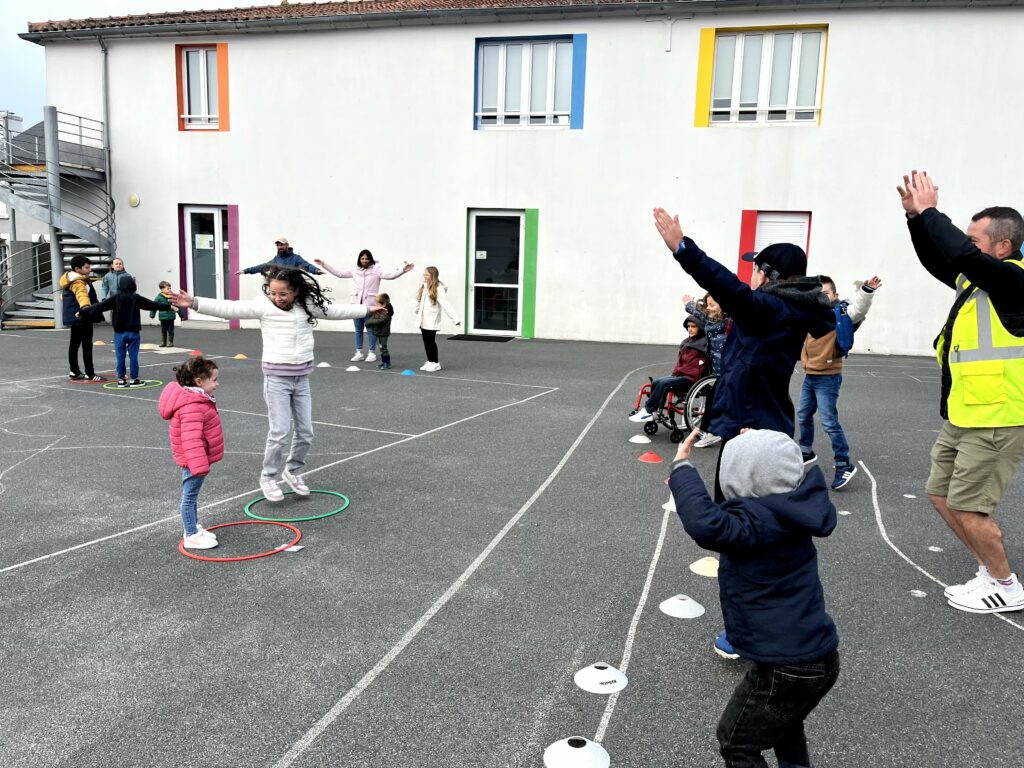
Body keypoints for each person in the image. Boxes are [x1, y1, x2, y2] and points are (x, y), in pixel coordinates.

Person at [669, 427, 839, 768]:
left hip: (786, 666)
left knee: (736, 742)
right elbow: (767, 470)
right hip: (815, 656)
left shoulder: (757, 522)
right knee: (785, 726)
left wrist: (682, 470)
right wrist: (757, 446)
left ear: (740, 478)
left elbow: (706, 524)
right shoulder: (792, 510)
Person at [898, 169, 1024, 614]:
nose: (965, 246)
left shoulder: (1014, 281)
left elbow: (958, 252)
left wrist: (932, 211)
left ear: (1003, 246)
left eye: (975, 240)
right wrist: (916, 219)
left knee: (970, 507)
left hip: (998, 416)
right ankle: (988, 572)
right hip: (965, 411)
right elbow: (939, 260)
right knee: (940, 493)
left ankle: (1006, 586)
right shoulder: (975, 278)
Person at [652, 208, 834, 499]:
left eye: (755, 268)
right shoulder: (788, 309)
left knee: (733, 507)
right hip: (763, 419)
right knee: (760, 506)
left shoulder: (768, 309)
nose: (750, 274)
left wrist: (684, 249)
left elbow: (729, 288)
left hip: (749, 425)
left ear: (765, 275)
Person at [172, 266, 382, 501]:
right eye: (273, 293)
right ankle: (268, 477)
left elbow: (334, 311)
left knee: (306, 432)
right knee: (280, 431)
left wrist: (367, 309)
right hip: (276, 380)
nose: (277, 298)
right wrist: (194, 302)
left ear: (295, 291)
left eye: (283, 293)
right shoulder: (263, 305)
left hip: (301, 379)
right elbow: (230, 308)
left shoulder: (307, 304)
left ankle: (293, 471)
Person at [798, 275, 882, 490]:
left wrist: (866, 291)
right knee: (803, 415)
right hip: (810, 375)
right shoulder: (812, 314)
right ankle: (806, 451)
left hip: (828, 377)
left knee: (829, 423)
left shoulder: (840, 314)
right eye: (818, 294)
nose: (821, 297)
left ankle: (844, 465)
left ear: (835, 295)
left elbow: (858, 309)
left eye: (826, 293)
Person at [159, 356, 224, 550]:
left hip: (196, 458)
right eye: (214, 380)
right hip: (194, 460)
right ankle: (191, 535)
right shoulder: (192, 406)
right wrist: (199, 465)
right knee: (189, 498)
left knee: (192, 496)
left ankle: (194, 527)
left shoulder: (197, 399)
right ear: (199, 382)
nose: (217, 384)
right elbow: (191, 439)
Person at [314, 250, 415, 362]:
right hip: (356, 305)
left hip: (370, 305)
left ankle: (372, 353)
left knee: (370, 329)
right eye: (362, 259)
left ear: (370, 259)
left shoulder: (377, 270)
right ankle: (359, 352)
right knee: (358, 330)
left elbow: (390, 276)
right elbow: (339, 274)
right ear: (359, 259)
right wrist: (324, 265)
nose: (364, 260)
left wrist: (403, 270)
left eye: (366, 258)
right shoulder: (355, 270)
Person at [77, 275, 163, 387]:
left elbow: (99, 306)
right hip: (133, 332)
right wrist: (169, 306)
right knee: (133, 356)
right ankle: (134, 379)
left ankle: (121, 380)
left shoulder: (115, 298)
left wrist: (82, 312)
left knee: (120, 356)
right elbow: (153, 305)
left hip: (119, 332)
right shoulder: (136, 298)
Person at [629, 315, 708, 422]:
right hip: (681, 374)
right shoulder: (687, 342)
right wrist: (676, 373)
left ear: (700, 327)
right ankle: (656, 411)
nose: (690, 329)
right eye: (688, 326)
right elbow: (681, 363)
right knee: (656, 382)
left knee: (664, 383)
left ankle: (648, 411)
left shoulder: (703, 344)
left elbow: (694, 368)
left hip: (692, 378)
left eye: (693, 326)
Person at [684, 292, 731, 448]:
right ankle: (709, 430)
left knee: (718, 401)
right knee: (713, 399)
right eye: (707, 305)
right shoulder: (710, 318)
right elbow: (699, 313)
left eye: (712, 305)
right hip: (713, 368)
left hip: (726, 367)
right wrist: (689, 304)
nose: (708, 308)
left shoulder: (729, 320)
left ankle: (714, 431)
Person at [60, 254, 107, 382]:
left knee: (74, 344)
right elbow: (82, 296)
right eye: (87, 267)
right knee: (87, 345)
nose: (90, 269)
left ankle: (74, 371)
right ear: (77, 269)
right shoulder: (79, 282)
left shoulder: (71, 279)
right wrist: (86, 309)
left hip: (75, 317)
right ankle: (90, 373)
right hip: (83, 317)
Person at [415, 266, 461, 372]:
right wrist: (417, 311)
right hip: (423, 318)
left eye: (427, 275)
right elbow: (422, 302)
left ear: (432, 276)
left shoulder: (438, 289)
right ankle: (430, 360)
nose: (424, 276)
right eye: (424, 274)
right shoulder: (425, 286)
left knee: (431, 341)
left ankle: (436, 363)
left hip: (432, 319)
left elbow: (446, 305)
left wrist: (455, 319)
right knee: (426, 341)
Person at [239, 237, 321, 276]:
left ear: (287, 245)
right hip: (279, 287)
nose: (279, 247)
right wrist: (246, 271)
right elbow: (263, 266)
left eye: (282, 245)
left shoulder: (296, 258)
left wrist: (316, 270)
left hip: (292, 288)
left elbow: (307, 266)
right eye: (278, 245)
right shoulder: (276, 259)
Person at [150, 281, 186, 347]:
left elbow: (178, 306)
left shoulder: (172, 297)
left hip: (171, 317)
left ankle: (170, 342)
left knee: (170, 330)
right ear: (162, 289)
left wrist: (182, 314)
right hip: (162, 317)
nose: (169, 290)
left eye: (170, 288)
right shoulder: (158, 298)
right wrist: (152, 315)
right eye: (168, 288)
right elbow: (154, 306)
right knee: (163, 330)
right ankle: (163, 342)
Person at [364, 291, 394, 369]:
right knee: (381, 348)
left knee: (383, 348)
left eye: (378, 304)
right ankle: (383, 362)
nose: (376, 305)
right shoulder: (379, 310)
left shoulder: (386, 312)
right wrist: (369, 321)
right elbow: (373, 317)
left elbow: (380, 321)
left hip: (383, 333)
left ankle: (387, 363)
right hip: (378, 332)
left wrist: (369, 322)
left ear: (384, 304)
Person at [99, 257, 131, 330]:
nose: (118, 265)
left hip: (125, 300)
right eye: (116, 264)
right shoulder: (108, 276)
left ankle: (125, 331)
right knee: (115, 317)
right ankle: (117, 332)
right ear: (112, 266)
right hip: (113, 300)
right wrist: (103, 298)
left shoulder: (127, 276)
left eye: (120, 264)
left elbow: (131, 289)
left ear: (123, 265)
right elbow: (104, 288)